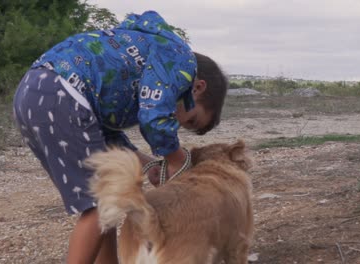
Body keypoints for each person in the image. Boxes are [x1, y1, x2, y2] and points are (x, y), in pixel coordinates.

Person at [12, 10, 227, 264]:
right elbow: (154, 119)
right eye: (191, 119)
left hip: (34, 92)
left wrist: (148, 163)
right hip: (63, 95)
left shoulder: (144, 67)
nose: (178, 123)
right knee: (101, 205)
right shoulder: (180, 61)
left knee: (107, 196)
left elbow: (106, 134)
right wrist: (177, 158)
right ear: (197, 86)